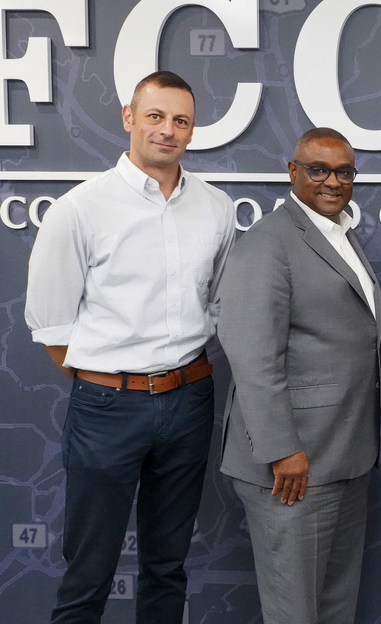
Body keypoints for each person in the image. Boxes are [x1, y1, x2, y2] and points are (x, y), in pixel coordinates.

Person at [24, 71, 236, 623]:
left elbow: (216, 301)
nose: (168, 130)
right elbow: (53, 330)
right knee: (89, 572)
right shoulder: (80, 208)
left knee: (168, 566)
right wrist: (111, 385)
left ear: (193, 130)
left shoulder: (215, 209)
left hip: (190, 400)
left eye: (181, 120)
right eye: (156, 116)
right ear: (129, 117)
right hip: (106, 409)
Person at [217, 127, 381, 624]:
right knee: (295, 611)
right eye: (319, 169)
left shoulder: (340, 234)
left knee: (333, 604)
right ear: (293, 172)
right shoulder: (269, 242)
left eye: (344, 171)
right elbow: (251, 355)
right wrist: (281, 450)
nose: (333, 181)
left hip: (343, 457)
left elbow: (334, 333)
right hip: (292, 465)